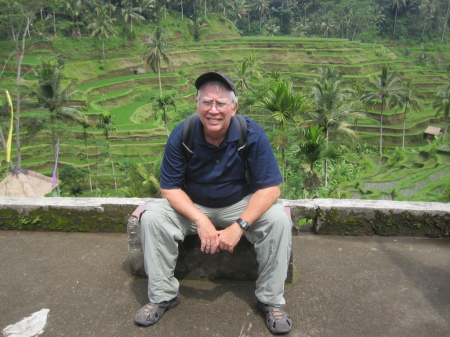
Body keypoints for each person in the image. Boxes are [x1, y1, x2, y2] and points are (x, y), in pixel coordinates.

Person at [135, 71, 292, 334]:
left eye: (221, 103)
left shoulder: (250, 134)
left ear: (234, 107)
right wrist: (201, 220)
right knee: (152, 217)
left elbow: (271, 189)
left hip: (239, 204)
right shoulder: (182, 134)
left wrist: (240, 225)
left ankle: (271, 300)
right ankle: (162, 296)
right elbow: (170, 189)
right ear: (196, 104)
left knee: (278, 220)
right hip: (193, 205)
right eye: (207, 102)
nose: (213, 110)